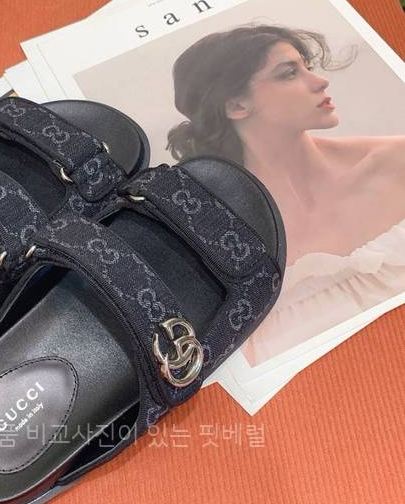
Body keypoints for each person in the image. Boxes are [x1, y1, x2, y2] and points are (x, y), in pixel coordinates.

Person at [167, 24, 405, 364]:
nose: (320, 82)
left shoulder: (395, 161)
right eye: (289, 73)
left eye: (308, 67)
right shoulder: (226, 245)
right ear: (236, 105)